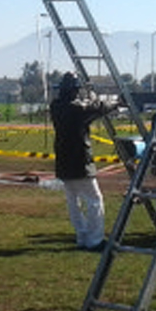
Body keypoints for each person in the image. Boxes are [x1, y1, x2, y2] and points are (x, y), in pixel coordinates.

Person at [49, 72, 115, 250]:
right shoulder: (77, 109)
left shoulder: (55, 106)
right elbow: (98, 109)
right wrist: (116, 103)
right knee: (94, 200)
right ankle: (95, 240)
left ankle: (82, 236)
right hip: (80, 160)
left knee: (73, 201)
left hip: (63, 160)